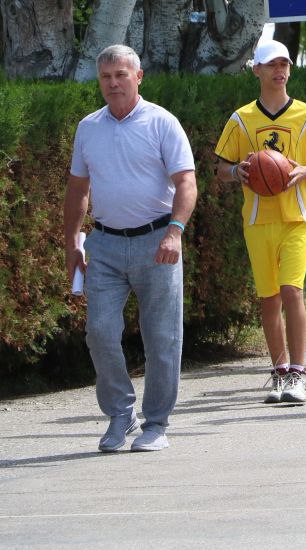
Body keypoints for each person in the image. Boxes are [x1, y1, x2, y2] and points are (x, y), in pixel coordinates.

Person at [65, 45, 195, 452]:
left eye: (121, 75)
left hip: (157, 242)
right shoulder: (89, 127)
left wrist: (175, 231)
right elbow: (77, 190)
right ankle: (121, 413)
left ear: (138, 76)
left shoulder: (162, 123)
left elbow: (187, 183)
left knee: (162, 338)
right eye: (106, 77)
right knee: (100, 332)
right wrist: (72, 240)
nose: (113, 83)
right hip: (103, 243)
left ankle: (156, 423)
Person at [215, 40, 306, 405]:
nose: (279, 71)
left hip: (297, 216)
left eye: (284, 64)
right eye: (271, 65)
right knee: (268, 299)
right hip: (257, 218)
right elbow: (220, 169)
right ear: (257, 71)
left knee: (291, 291)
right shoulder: (241, 119)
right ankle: (279, 371)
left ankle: (299, 372)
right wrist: (238, 171)